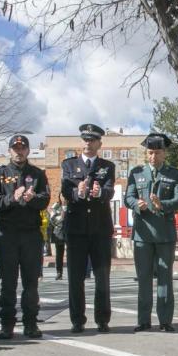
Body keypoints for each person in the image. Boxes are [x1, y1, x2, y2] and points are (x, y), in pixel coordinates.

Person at [0, 135, 49, 340]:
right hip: (8, 234)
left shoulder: (37, 174)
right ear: (9, 151)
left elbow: (45, 199)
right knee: (8, 282)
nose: (19, 151)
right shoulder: (0, 174)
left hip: (31, 234)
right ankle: (7, 324)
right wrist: (11, 198)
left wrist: (33, 198)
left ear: (28, 151)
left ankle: (30, 323)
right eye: (15, 148)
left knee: (31, 283)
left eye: (22, 148)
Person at [124, 133, 178, 333]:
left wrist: (162, 204)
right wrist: (137, 204)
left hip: (165, 234)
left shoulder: (174, 173)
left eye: (157, 153)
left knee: (165, 278)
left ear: (164, 153)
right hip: (142, 234)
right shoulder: (137, 172)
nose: (153, 156)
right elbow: (128, 197)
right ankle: (143, 320)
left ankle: (165, 321)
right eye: (150, 152)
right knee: (143, 278)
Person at [61, 123, 115, 334]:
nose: (88, 143)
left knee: (102, 277)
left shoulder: (107, 166)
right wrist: (79, 193)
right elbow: (66, 191)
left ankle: (102, 319)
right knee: (76, 278)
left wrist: (99, 192)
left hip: (100, 229)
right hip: (76, 230)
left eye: (92, 140)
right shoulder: (69, 164)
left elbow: (109, 190)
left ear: (99, 143)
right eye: (85, 139)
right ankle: (77, 320)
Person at [48, 196, 67, 280]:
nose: (63, 197)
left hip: (70, 231)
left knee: (72, 253)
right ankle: (59, 272)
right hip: (59, 231)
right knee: (59, 253)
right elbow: (52, 218)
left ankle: (73, 272)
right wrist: (61, 218)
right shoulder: (56, 205)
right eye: (62, 195)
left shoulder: (72, 204)